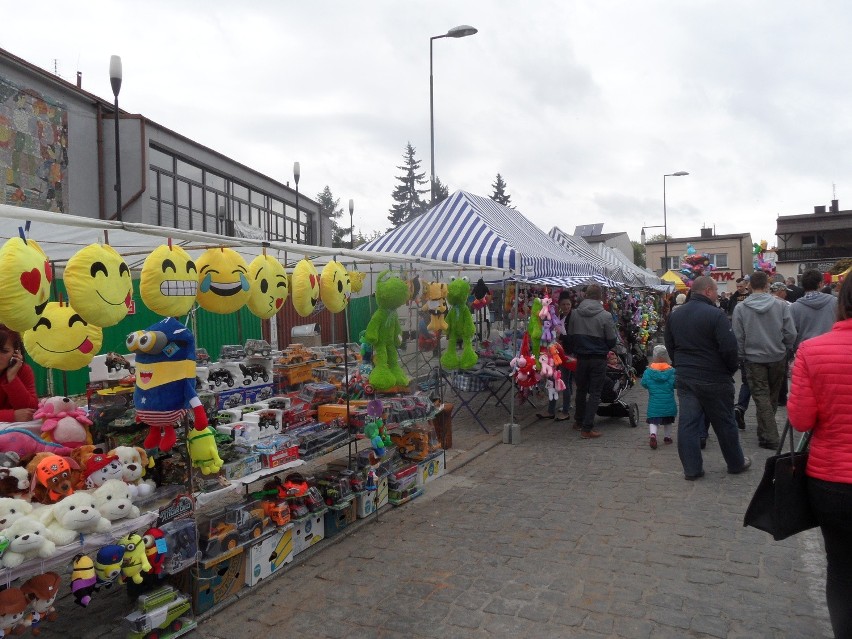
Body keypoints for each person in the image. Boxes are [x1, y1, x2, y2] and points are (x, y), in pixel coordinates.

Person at [787, 274, 852, 638]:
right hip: (833, 476)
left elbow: (800, 419)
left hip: (832, 481)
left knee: (842, 569)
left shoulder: (813, 350)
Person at [664, 276, 751, 480]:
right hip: (714, 376)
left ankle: (692, 469)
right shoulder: (716, 315)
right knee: (725, 422)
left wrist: (680, 365)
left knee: (688, 423)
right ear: (708, 291)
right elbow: (729, 348)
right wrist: (730, 369)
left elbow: (670, 344)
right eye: (714, 291)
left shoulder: (675, 315)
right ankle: (736, 462)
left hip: (687, 376)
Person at [732, 271, 797, 450]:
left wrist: (741, 355)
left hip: (753, 358)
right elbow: (791, 332)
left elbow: (738, 336)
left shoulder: (741, 308)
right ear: (767, 285)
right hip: (777, 356)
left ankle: (769, 435)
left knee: (761, 397)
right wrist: (785, 347)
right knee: (772, 397)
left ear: (750, 286)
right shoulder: (781, 305)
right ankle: (765, 433)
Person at [567, 284, 617, 439]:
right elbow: (611, 340)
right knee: (595, 392)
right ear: (600, 296)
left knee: (581, 389)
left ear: (586, 295)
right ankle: (587, 428)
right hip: (598, 358)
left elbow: (570, 336)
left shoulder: (575, 313)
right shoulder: (605, 315)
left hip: (580, 358)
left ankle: (578, 421)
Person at [790, 268, 839, 351]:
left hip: (805, 350)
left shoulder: (794, 307)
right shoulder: (834, 302)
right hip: (831, 348)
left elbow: (792, 333)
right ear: (820, 284)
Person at [640, 344, 676, 450]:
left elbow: (644, 384)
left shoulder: (648, 371)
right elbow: (675, 384)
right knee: (668, 421)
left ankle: (653, 435)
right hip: (668, 402)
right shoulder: (672, 371)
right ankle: (667, 437)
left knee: (653, 421)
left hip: (654, 403)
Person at [0, 324, 38, 423]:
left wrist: (12, 378)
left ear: (16, 352)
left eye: (4, 351)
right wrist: (11, 416)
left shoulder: (23, 370)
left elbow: (30, 410)